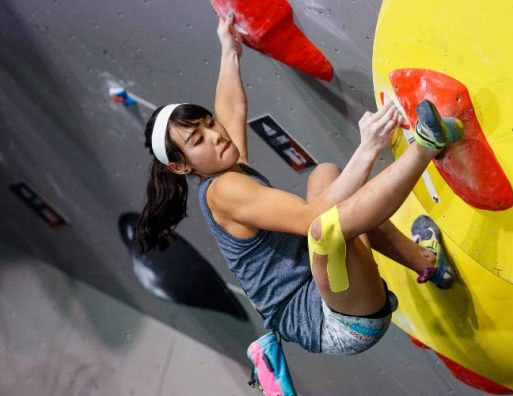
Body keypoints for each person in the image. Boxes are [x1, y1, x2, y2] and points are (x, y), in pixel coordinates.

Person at [136, 13, 463, 355]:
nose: (216, 136)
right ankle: (428, 144)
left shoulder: (222, 163)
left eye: (209, 124)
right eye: (197, 139)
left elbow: (230, 108)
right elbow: (315, 218)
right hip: (336, 323)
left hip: (328, 284)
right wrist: (368, 147)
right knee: (326, 231)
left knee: (324, 174)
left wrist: (228, 48)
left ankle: (428, 263)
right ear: (180, 166)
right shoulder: (222, 191)